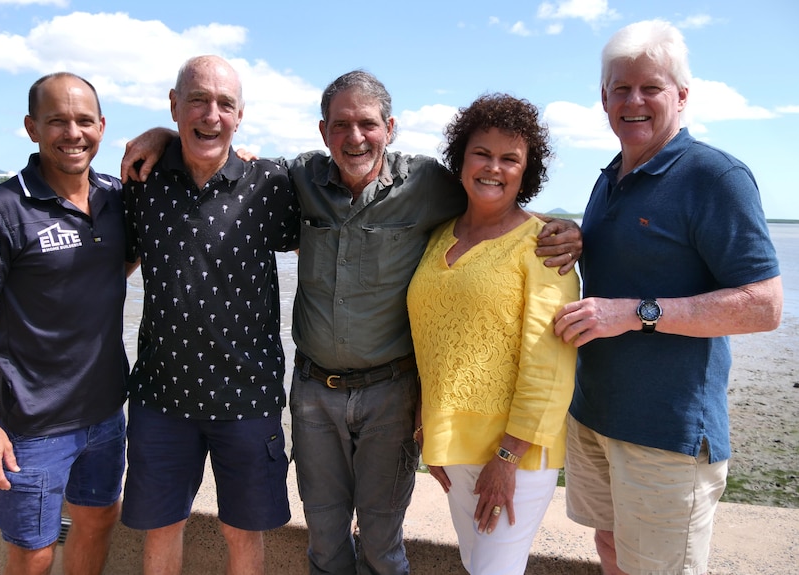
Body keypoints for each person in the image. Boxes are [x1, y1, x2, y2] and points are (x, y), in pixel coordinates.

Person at [122, 70, 582, 575]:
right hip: (314, 392)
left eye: (367, 124)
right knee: (323, 537)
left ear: (390, 127)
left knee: (383, 544)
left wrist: (564, 230)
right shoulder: (295, 180)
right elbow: (218, 155)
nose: (355, 137)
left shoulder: (428, 184)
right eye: (340, 125)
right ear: (323, 132)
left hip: (391, 393)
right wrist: (163, 136)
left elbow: (494, 199)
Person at [553, 20, 782, 575]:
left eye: (650, 87)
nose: (634, 101)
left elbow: (764, 304)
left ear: (680, 95)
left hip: (668, 433)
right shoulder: (609, 176)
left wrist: (635, 313)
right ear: (603, 98)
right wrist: (577, 240)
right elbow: (635, 255)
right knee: (609, 550)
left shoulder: (715, 176)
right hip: (593, 417)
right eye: (620, 89)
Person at [119, 55, 299, 575]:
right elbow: (112, 264)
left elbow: (347, 222)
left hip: (248, 400)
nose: (211, 114)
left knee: (244, 536)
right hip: (160, 398)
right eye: (198, 100)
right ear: (174, 106)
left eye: (225, 104)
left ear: (241, 116)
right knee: (161, 530)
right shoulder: (142, 181)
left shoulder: (270, 185)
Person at [0, 72, 129, 575]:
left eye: (84, 120)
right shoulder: (0, 208)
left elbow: (117, 262)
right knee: (33, 550)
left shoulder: (116, 197)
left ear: (102, 126)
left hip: (107, 412)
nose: (73, 133)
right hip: (32, 424)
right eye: (57, 121)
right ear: (32, 128)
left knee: (98, 521)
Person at [406, 93, 578, 574]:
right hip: (451, 443)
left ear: (527, 172)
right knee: (475, 563)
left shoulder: (543, 247)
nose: (493, 168)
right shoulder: (439, 236)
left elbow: (552, 365)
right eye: (482, 153)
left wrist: (508, 458)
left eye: (510, 159)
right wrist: (427, 428)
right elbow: (432, 342)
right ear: (461, 161)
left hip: (513, 454)